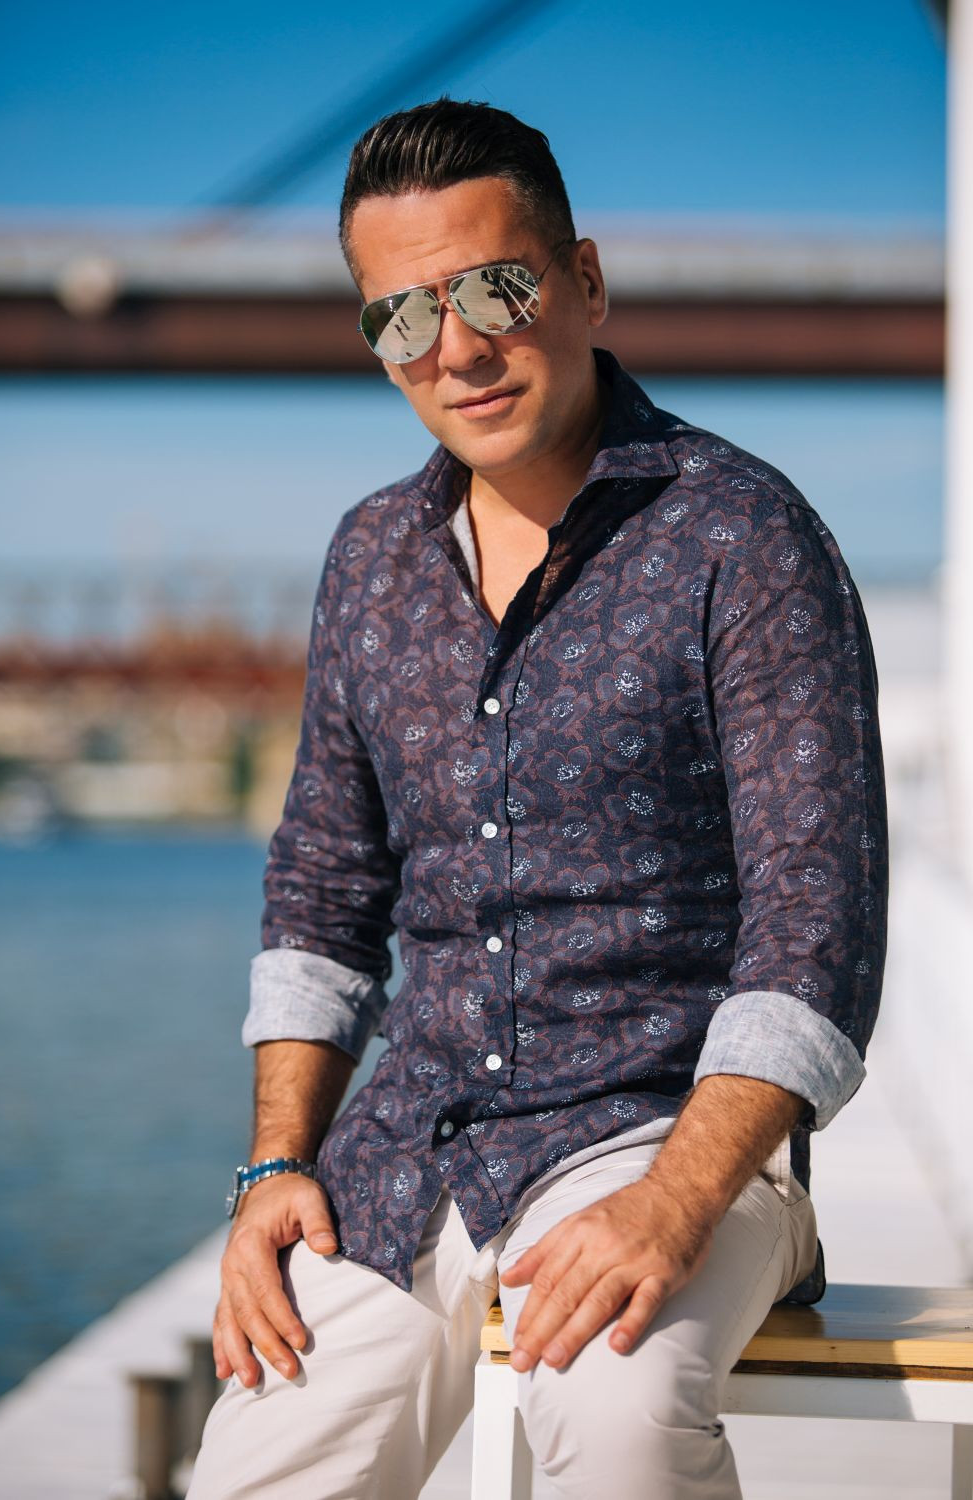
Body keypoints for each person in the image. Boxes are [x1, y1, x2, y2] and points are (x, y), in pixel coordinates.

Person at [186, 97, 888, 1500]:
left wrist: (676, 1201)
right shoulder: (370, 559)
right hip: (414, 1147)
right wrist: (272, 1169)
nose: (455, 347)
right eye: (402, 316)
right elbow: (322, 893)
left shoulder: (743, 536)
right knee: (260, 1465)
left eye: (494, 288)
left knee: (617, 1417)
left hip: (667, 1133)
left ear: (585, 281)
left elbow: (816, 923)